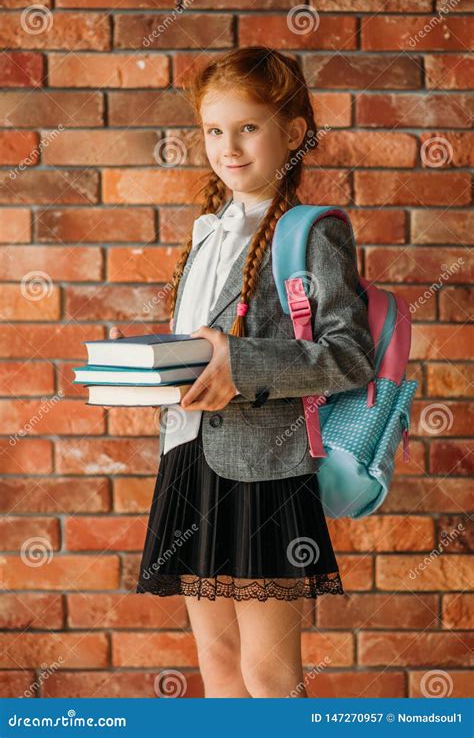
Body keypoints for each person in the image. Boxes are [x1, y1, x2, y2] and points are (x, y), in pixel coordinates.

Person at [106, 47, 374, 698]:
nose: (228, 147)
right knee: (219, 660)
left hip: (265, 470)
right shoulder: (208, 231)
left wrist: (240, 363)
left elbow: (350, 355)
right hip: (190, 459)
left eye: (248, 127)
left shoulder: (309, 233)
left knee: (268, 671)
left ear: (294, 133)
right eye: (213, 130)